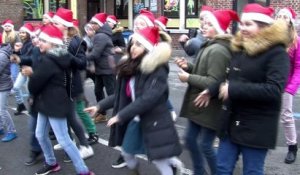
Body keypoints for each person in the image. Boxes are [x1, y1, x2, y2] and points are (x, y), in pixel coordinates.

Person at [194, 4, 290, 175]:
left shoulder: (277, 53)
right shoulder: (240, 48)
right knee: (222, 169)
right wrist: (212, 90)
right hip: (230, 122)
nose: (242, 28)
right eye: (242, 24)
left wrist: (233, 90)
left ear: (263, 27)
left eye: (248, 24)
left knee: (252, 171)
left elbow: (274, 90)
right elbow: (229, 78)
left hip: (256, 127)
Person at [85, 26, 183, 175]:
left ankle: (172, 166)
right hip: (136, 119)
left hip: (155, 121)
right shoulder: (130, 67)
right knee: (127, 153)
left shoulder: (158, 69)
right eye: (132, 43)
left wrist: (120, 115)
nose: (133, 48)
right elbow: (119, 95)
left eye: (139, 44)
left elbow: (148, 99)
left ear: (148, 48)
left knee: (159, 160)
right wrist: (99, 106)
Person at [175, 10, 239, 175]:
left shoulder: (218, 50)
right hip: (200, 105)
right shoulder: (210, 44)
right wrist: (187, 67)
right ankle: (199, 172)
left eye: (210, 24)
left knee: (205, 145)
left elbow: (213, 81)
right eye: (204, 23)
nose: (204, 26)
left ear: (219, 28)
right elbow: (202, 71)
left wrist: (188, 77)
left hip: (210, 106)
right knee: (190, 140)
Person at [27, 24, 94, 175]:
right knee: (40, 135)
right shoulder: (59, 56)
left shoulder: (49, 60)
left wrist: (30, 74)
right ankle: (51, 162)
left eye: (43, 40)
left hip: (54, 104)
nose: (39, 42)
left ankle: (83, 171)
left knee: (64, 140)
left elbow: (34, 84)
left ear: (52, 43)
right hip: (46, 102)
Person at [52, 7, 94, 158]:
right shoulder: (56, 39)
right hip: (58, 84)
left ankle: (85, 145)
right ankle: (68, 140)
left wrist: (67, 56)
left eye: (56, 22)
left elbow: (82, 64)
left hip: (70, 84)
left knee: (70, 115)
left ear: (64, 25)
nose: (53, 25)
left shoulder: (77, 42)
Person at [276, 7, 300, 164]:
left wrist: (291, 88)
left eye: (285, 17)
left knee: (286, 116)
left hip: (286, 85)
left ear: (290, 21)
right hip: (270, 83)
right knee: (265, 112)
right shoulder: (271, 39)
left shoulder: (296, 41)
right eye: (279, 16)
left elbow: (298, 67)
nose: (282, 19)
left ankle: (292, 147)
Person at [87, 12, 116, 123]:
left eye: (93, 23)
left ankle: (118, 114)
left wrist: (82, 58)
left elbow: (95, 54)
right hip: (101, 69)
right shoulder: (99, 34)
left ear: (99, 24)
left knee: (111, 93)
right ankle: (102, 113)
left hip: (107, 69)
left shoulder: (101, 36)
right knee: (98, 90)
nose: (91, 25)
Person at [10, 23, 35, 115]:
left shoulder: (31, 44)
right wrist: (15, 52)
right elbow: (22, 56)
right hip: (22, 69)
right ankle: (21, 105)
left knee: (29, 91)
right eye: (20, 32)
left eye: (23, 32)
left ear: (28, 33)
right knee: (16, 87)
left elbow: (27, 58)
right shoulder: (24, 44)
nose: (21, 34)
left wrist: (17, 55)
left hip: (29, 70)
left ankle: (33, 109)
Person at [0, 43, 17, 142]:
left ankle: (12, 131)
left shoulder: (2, 55)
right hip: (2, 84)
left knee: (2, 110)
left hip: (4, 85)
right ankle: (1, 128)